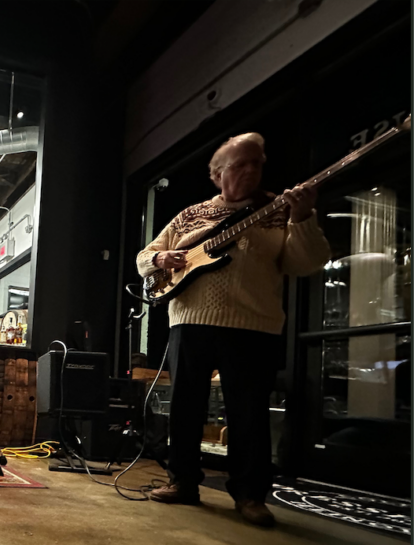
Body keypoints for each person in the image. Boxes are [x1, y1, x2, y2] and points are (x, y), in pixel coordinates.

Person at [137, 132, 330, 527]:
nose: (250, 170)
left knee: (249, 414)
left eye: (256, 163)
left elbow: (306, 262)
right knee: (185, 408)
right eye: (240, 164)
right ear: (217, 173)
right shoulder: (189, 215)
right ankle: (183, 481)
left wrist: (303, 219)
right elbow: (144, 258)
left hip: (252, 325)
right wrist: (161, 257)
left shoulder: (279, 209)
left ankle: (250, 494)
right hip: (189, 322)